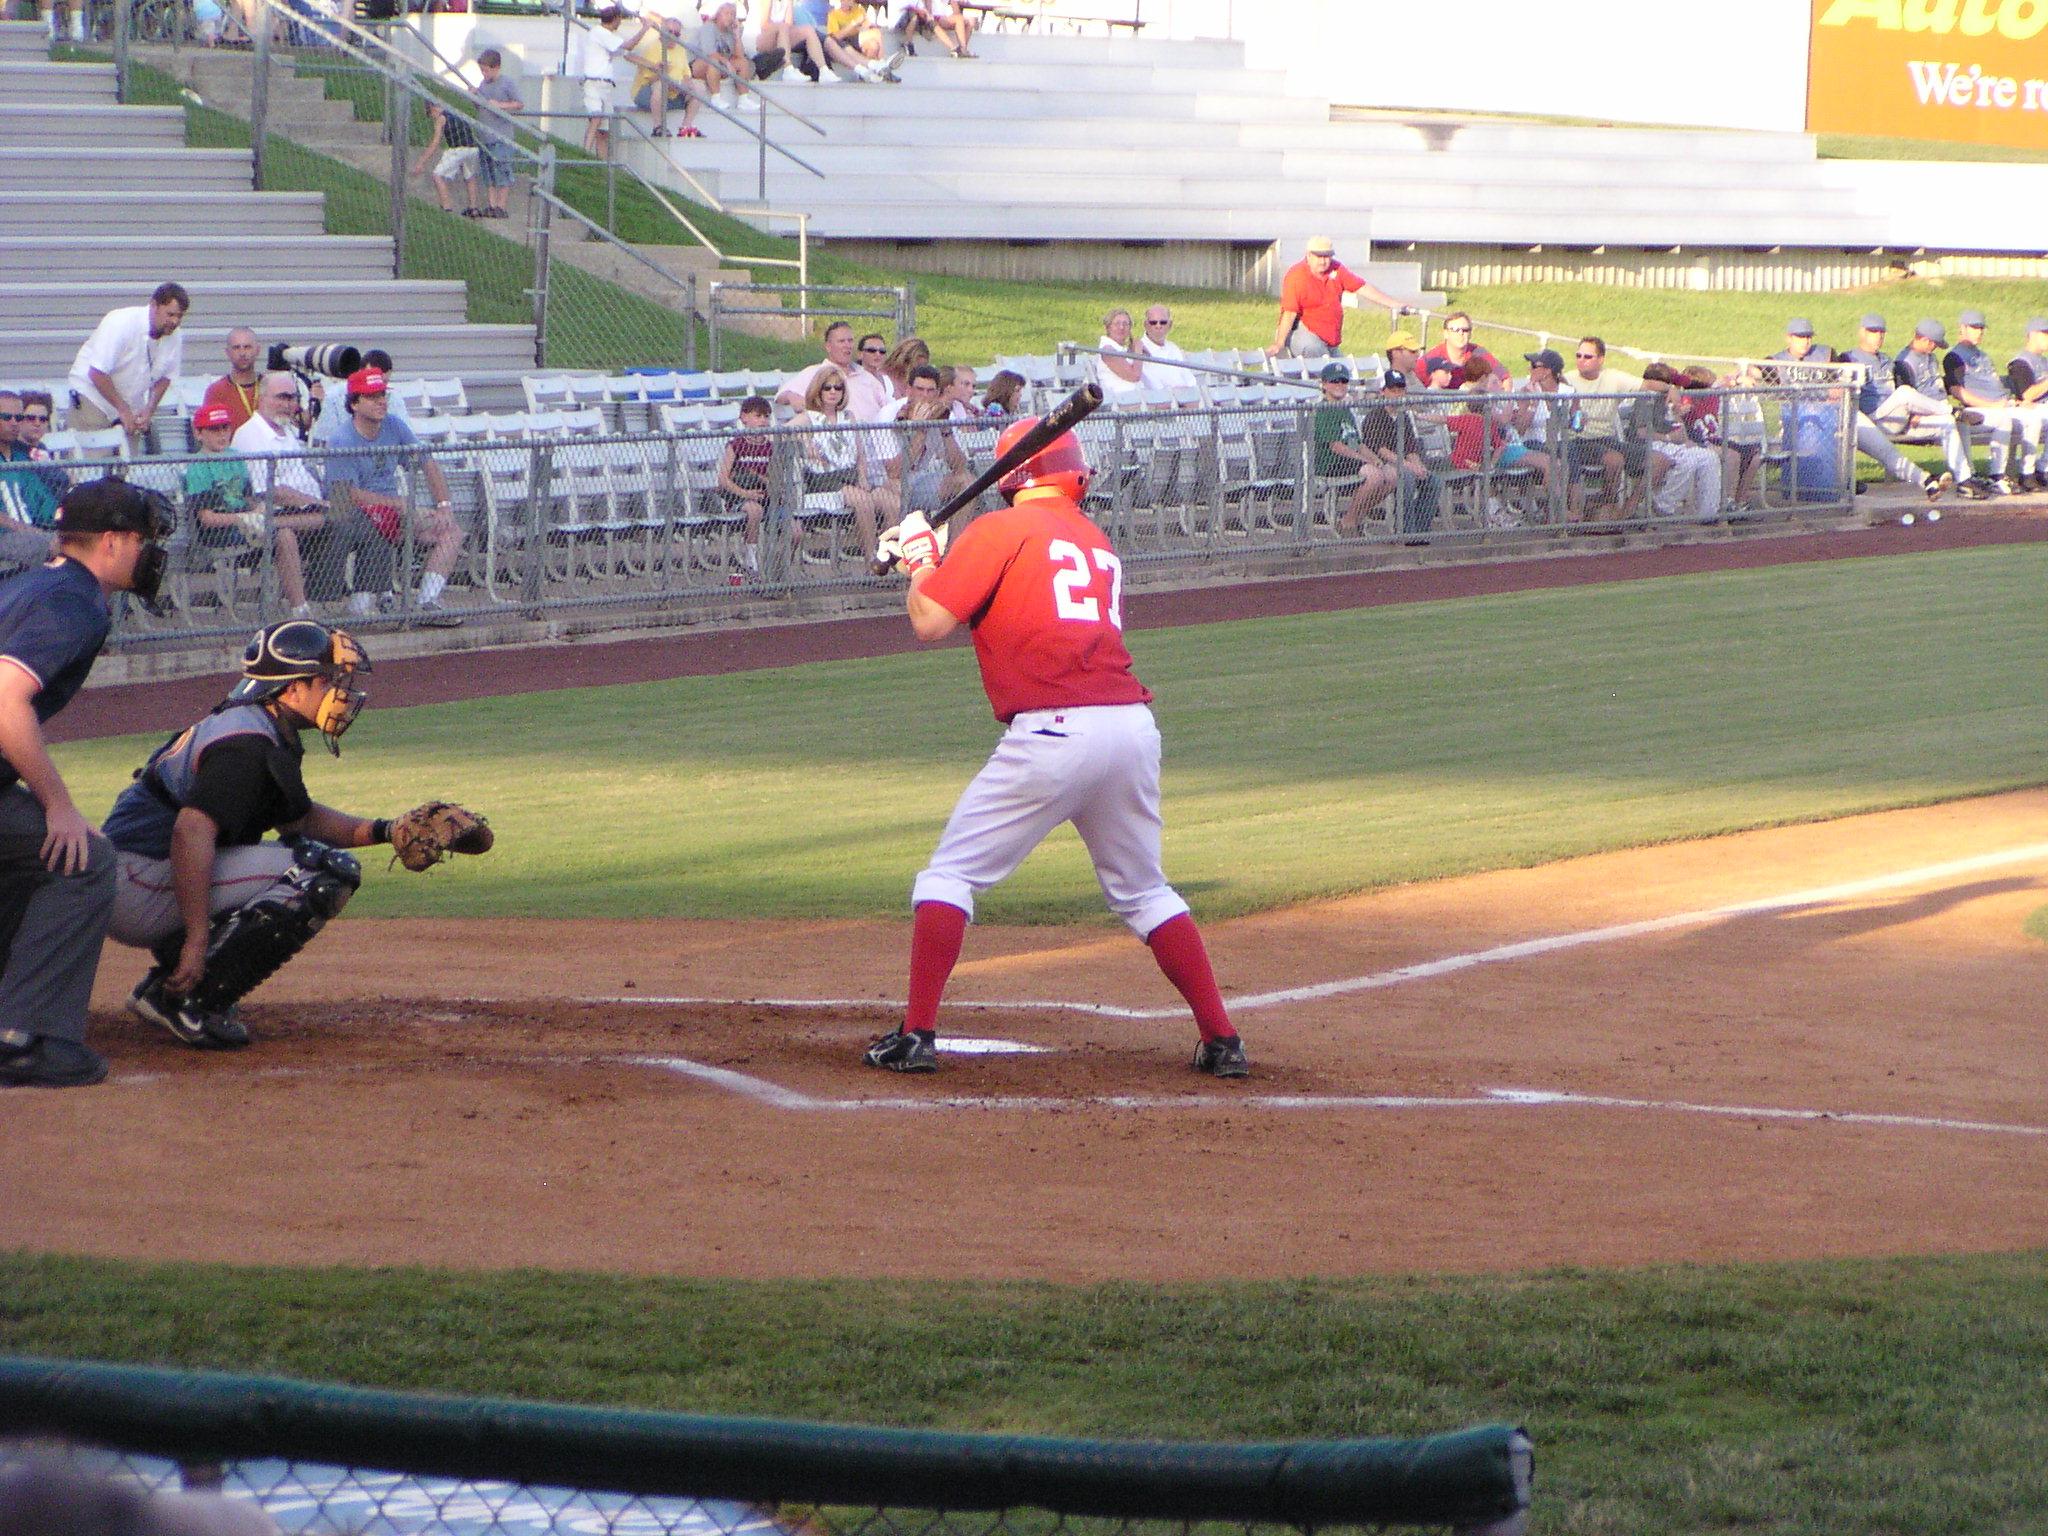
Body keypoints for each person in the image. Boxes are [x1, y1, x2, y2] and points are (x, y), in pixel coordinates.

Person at [863, 419, 1248, 1078]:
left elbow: (930, 621)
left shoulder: (1000, 530)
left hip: (1052, 732)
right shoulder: (1092, 539)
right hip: (1129, 727)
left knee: (948, 877)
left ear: (1011, 475)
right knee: (1145, 892)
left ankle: (917, 1034)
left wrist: (921, 561)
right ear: (1073, 473)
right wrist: (925, 558)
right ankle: (1222, 1041)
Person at [101, 621, 488, 1050]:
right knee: (319, 873)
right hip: (137, 880)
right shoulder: (246, 744)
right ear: (292, 688)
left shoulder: (260, 727)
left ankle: (170, 982)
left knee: (303, 854)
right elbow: (189, 833)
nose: (341, 692)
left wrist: (386, 830)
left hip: (139, 874)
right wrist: (196, 936)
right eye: (327, 680)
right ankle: (188, 997)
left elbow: (299, 822)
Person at [0, 478, 172, 1088]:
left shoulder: (34, 583)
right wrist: (59, 805)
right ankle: (29, 1040)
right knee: (80, 858)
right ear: (112, 542)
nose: (151, 552)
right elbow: (6, 701)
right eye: (144, 539)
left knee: (29, 859)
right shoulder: (71, 600)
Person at [320, 365, 463, 624]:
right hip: (356, 515)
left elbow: (426, 462)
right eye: (372, 397)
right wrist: (394, 503)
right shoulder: (342, 439)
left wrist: (444, 505)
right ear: (354, 404)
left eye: (382, 395)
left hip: (394, 513)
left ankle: (426, 602)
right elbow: (343, 494)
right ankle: (362, 600)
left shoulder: (394, 426)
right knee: (378, 523)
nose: (381, 402)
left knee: (450, 530)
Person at [185, 403, 318, 616]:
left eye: (225, 428)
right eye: (214, 429)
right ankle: (299, 608)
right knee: (284, 534)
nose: (221, 434)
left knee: (288, 532)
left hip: (248, 527)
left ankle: (299, 607)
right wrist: (243, 517)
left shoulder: (235, 457)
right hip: (220, 534)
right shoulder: (197, 468)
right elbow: (207, 519)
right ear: (199, 433)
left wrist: (258, 509)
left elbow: (249, 498)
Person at [1842, 313, 1979, 502]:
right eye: (1873, 332)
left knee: (1946, 423)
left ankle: (1965, 481)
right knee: (1906, 393)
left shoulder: (1887, 361)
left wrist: (1915, 411)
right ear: (1861, 332)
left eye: (1882, 333)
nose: (1879, 337)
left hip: (1898, 417)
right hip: (1872, 420)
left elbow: (1903, 391)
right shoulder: (1848, 358)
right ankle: (1953, 412)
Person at [65, 281, 189, 449]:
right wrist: (122, 409)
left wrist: (149, 410)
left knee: (125, 468)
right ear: (154, 305)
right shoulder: (121, 322)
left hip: (130, 405)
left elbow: (166, 377)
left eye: (179, 316)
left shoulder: (175, 336)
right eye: (170, 314)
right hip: (93, 399)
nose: (174, 321)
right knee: (91, 467)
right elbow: (96, 373)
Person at [796, 366, 895, 560]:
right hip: (824, 479)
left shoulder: (848, 417)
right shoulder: (808, 418)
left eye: (838, 387)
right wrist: (804, 445)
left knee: (891, 501)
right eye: (827, 387)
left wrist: (863, 477)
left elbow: (860, 455)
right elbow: (778, 436)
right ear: (818, 389)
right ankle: (870, 560)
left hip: (851, 475)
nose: (833, 391)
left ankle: (887, 556)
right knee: (862, 501)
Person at [1945, 309, 2044, 494]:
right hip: (1978, 411)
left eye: (1981, 328)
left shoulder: (1983, 356)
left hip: (2002, 406)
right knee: (2003, 420)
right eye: (1974, 328)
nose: (1979, 332)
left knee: (2032, 418)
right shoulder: (1954, 357)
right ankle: (1997, 475)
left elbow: (1995, 386)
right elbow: (1958, 392)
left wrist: (2013, 400)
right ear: (1962, 328)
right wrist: (1993, 405)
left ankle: (2028, 473)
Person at [1266, 236, 1405, 360]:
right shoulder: (1296, 276)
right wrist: (1279, 343)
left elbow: (1362, 287)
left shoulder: (1337, 269)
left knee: (1345, 373)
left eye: (1327, 256)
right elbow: (1289, 313)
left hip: (1330, 340)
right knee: (1320, 359)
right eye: (1319, 256)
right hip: (1305, 334)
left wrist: (1393, 304)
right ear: (1308, 255)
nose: (1323, 261)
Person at [1311, 361, 1393, 536]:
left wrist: (1374, 459)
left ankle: (1356, 517)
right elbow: (1336, 446)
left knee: (1392, 474)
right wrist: (1364, 461)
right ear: (1324, 384)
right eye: (1335, 381)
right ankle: (1349, 520)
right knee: (1374, 475)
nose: (1340, 385)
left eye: (1343, 381)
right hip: (1331, 463)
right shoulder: (1323, 409)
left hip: (1351, 460)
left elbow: (1358, 443)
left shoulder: (1345, 410)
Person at [1359, 369, 1438, 536]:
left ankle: (1421, 530)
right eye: (1393, 390)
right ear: (1383, 392)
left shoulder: (1404, 416)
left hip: (1404, 463)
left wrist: (1418, 465)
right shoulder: (1375, 416)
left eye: (1400, 390)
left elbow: (1411, 448)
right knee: (1407, 478)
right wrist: (1409, 466)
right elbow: (1381, 451)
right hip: (1382, 465)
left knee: (1433, 481)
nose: (1397, 394)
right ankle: (1405, 530)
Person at [579, 3, 657, 156]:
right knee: (596, 118)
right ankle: (584, 154)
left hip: (605, 86)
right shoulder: (599, 33)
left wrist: (653, 66)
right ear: (615, 19)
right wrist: (645, 28)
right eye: (620, 20)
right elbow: (629, 46)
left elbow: (628, 55)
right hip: (594, 83)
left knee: (603, 131)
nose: (620, 23)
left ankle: (601, 164)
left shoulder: (609, 37)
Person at [888, 366, 969, 514]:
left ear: (938, 393)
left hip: (920, 481)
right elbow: (894, 472)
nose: (925, 395)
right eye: (920, 389)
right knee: (898, 487)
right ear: (909, 390)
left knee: (966, 481)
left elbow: (959, 466)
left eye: (930, 390)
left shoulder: (940, 413)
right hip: (885, 484)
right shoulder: (890, 414)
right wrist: (920, 431)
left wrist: (945, 429)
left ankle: (957, 537)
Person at [719, 394, 778, 577]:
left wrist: (763, 481)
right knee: (754, 510)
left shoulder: (771, 447)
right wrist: (746, 493)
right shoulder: (736, 445)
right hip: (740, 498)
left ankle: (777, 571)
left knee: (796, 531)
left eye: (766, 416)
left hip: (766, 497)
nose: (763, 420)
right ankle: (751, 559)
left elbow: (776, 479)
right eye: (757, 416)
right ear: (744, 418)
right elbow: (723, 479)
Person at [627, 15, 708, 139]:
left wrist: (686, 84)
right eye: (669, 32)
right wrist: (672, 84)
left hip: (673, 93)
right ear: (662, 32)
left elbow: (686, 74)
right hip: (647, 94)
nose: (673, 36)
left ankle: (686, 127)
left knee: (699, 87)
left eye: (676, 34)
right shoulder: (653, 47)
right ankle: (658, 127)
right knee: (660, 84)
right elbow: (650, 79)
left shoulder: (680, 49)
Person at [473, 49, 526, 214]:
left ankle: (501, 207)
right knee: (488, 172)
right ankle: (492, 204)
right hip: (485, 137)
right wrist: (474, 97)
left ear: (496, 67)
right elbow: (480, 105)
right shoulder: (483, 85)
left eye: (486, 70)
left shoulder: (507, 83)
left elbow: (519, 104)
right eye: (481, 70)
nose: (483, 73)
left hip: (501, 136)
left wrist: (500, 105)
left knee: (501, 170)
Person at [411, 100, 483, 216]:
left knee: (437, 175)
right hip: (472, 149)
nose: (432, 117)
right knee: (470, 177)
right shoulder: (456, 113)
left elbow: (435, 143)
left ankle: (446, 207)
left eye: (430, 114)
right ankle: (473, 208)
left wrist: (421, 162)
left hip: (457, 149)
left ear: (433, 109)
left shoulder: (441, 118)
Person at [1419, 312, 1508, 390]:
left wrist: (1506, 406)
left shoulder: (1479, 353)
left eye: (1465, 330)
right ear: (1446, 333)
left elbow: (1505, 378)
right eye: (1456, 330)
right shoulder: (1431, 358)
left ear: (1470, 333)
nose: (1461, 333)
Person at [200, 326, 265, 431]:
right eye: (236, 347)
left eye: (247, 347)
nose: (242, 353)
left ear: (258, 350)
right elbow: (208, 432)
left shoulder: (271, 387)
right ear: (227, 352)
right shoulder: (216, 391)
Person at [690, 2, 755, 106]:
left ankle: (744, 99)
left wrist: (737, 36)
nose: (730, 17)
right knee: (713, 61)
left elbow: (739, 56)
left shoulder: (730, 32)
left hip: (721, 67)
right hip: (700, 65)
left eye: (733, 14)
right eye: (727, 13)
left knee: (742, 63)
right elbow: (709, 53)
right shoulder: (708, 27)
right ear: (718, 14)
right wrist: (727, 63)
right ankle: (716, 98)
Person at [1093, 308, 1148, 405]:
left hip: (1138, 398)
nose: (1121, 327)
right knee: (1174, 404)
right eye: (1117, 324)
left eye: (1125, 324)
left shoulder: (1122, 350)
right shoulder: (1108, 350)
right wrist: (1138, 350)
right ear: (1108, 327)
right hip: (1121, 402)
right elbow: (1134, 376)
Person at [1138, 305, 1195, 391]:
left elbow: (1189, 379)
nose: (1158, 326)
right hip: (1161, 400)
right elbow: (1152, 385)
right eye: (1153, 322)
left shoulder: (1174, 348)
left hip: (1187, 398)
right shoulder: (1139, 350)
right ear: (1145, 325)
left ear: (1170, 325)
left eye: (1163, 322)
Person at [1769, 317, 1835, 367]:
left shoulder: (1825, 354)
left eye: (1808, 337)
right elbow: (1759, 373)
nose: (1805, 341)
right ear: (1788, 338)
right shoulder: (1776, 362)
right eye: (1800, 337)